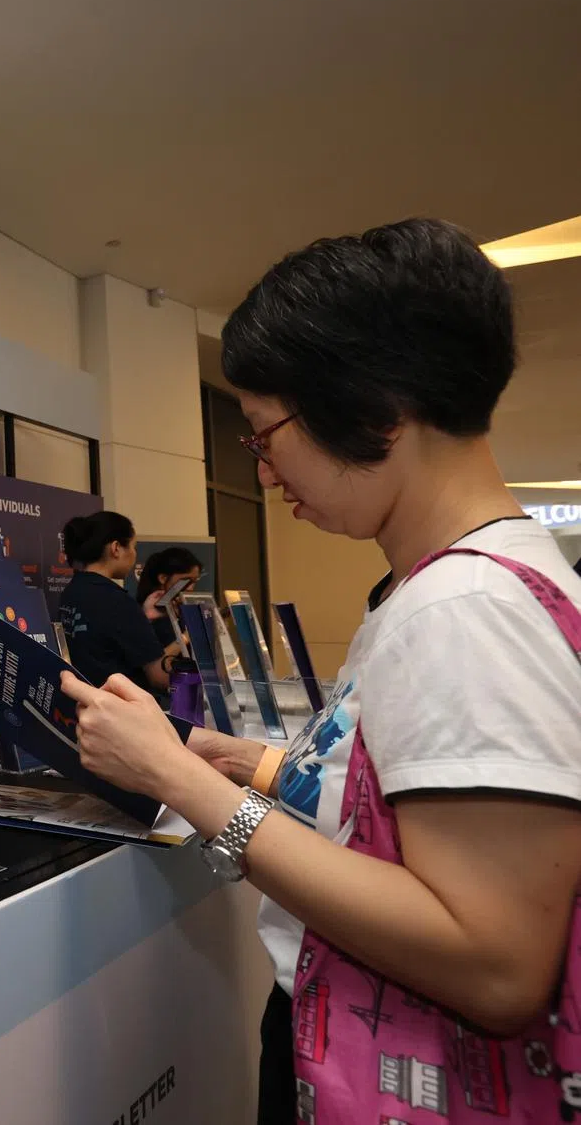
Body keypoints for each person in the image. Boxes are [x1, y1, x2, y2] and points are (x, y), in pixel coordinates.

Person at [61, 219, 581, 1124]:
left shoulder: (466, 610)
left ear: (375, 406)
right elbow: (396, 821)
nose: (262, 474)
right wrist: (248, 763)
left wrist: (177, 778)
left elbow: (494, 964)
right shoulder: (458, 587)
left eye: (266, 436)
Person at [58, 512, 179, 694]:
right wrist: (185, 638)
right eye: (133, 546)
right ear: (116, 548)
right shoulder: (117, 602)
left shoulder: (72, 590)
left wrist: (143, 616)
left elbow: (100, 638)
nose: (134, 554)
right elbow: (160, 677)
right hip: (121, 710)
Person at [135, 546, 202, 648]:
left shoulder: (184, 611)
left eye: (194, 582)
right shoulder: (140, 613)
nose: (190, 588)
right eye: (185, 581)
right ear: (163, 578)